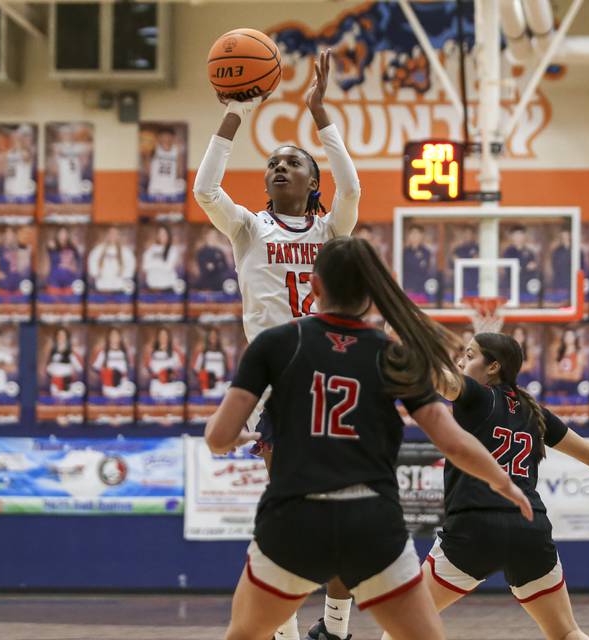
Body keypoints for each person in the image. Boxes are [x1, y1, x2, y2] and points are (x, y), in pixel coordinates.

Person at [204, 237, 532, 640]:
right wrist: (503, 483)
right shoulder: (393, 354)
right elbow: (453, 442)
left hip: (294, 518)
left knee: (243, 633)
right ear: (372, 295)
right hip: (372, 523)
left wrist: (236, 438)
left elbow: (218, 437)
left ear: (314, 286)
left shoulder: (276, 343)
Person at [193, 49, 361, 640]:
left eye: (293, 162)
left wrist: (319, 113)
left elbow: (352, 187)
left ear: (314, 181)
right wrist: (236, 113)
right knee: (284, 518)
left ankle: (335, 629)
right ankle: (285, 632)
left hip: (330, 380)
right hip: (276, 382)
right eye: (272, 164)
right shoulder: (247, 227)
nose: (280, 168)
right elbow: (205, 188)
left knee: (339, 515)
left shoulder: (331, 229)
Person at [383, 332, 589, 640]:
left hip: (474, 529)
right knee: (567, 633)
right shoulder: (533, 411)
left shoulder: (476, 395)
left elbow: (439, 379)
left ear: (493, 367)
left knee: (403, 625)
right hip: (529, 529)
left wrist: (398, 347)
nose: (460, 362)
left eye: (469, 356)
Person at [87, 227, 136, 294]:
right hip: (102, 283)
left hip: (119, 283)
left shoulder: (125, 251)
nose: (113, 236)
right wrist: (95, 273)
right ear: (107, 235)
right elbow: (92, 261)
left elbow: (130, 264)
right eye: (111, 234)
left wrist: (126, 276)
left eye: (115, 234)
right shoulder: (98, 249)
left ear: (118, 236)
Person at [91, 328, 134, 399]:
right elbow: (95, 367)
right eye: (112, 336)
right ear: (109, 338)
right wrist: (106, 375)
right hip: (109, 388)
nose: (114, 338)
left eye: (116, 335)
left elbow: (131, 368)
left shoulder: (125, 352)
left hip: (124, 386)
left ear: (120, 337)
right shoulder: (103, 353)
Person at [0, 227, 31, 294]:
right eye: (8, 234)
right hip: (3, 283)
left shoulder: (18, 247)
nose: (10, 236)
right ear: (4, 235)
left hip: (17, 282)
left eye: (12, 234)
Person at [141, 225, 184, 293]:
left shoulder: (173, 250)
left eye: (164, 234)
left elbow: (168, 267)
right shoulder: (151, 248)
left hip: (168, 287)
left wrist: (153, 263)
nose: (162, 236)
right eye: (160, 234)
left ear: (168, 235)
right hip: (152, 287)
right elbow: (145, 266)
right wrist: (161, 263)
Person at [191, 327, 231, 399]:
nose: (213, 338)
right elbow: (196, 371)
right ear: (208, 337)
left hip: (221, 387)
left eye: (215, 335)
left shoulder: (223, 354)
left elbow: (228, 371)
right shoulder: (203, 353)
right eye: (211, 336)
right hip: (207, 388)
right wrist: (203, 384)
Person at [45, 327, 84, 399]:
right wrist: (51, 369)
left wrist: (71, 368)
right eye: (59, 335)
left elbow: (79, 368)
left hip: (66, 382)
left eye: (63, 335)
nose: (61, 337)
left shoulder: (71, 352)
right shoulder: (52, 351)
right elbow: (48, 367)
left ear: (66, 337)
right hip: (55, 382)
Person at [146, 127, 185, 199]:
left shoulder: (177, 150)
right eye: (163, 137)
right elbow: (147, 168)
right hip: (155, 188)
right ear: (159, 138)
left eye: (168, 137)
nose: (166, 140)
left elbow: (180, 171)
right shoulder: (154, 148)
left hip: (171, 188)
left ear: (173, 138)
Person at [146, 327, 184, 400]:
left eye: (165, 335)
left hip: (171, 386)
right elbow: (149, 368)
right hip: (156, 385)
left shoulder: (175, 352)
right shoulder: (152, 352)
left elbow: (180, 369)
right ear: (158, 337)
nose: (163, 338)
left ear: (169, 337)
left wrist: (171, 374)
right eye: (161, 336)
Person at [402, 224, 435, 302]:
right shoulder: (404, 252)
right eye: (412, 233)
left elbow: (426, 269)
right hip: (407, 289)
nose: (414, 236)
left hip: (422, 290)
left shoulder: (426, 252)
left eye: (417, 233)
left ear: (421, 236)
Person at [44, 227, 82, 293]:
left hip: (69, 281)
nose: (63, 236)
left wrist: (73, 268)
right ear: (57, 235)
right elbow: (48, 247)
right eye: (61, 234)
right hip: (54, 282)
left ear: (68, 236)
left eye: (65, 234)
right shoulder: (53, 246)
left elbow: (78, 262)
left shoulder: (72, 248)